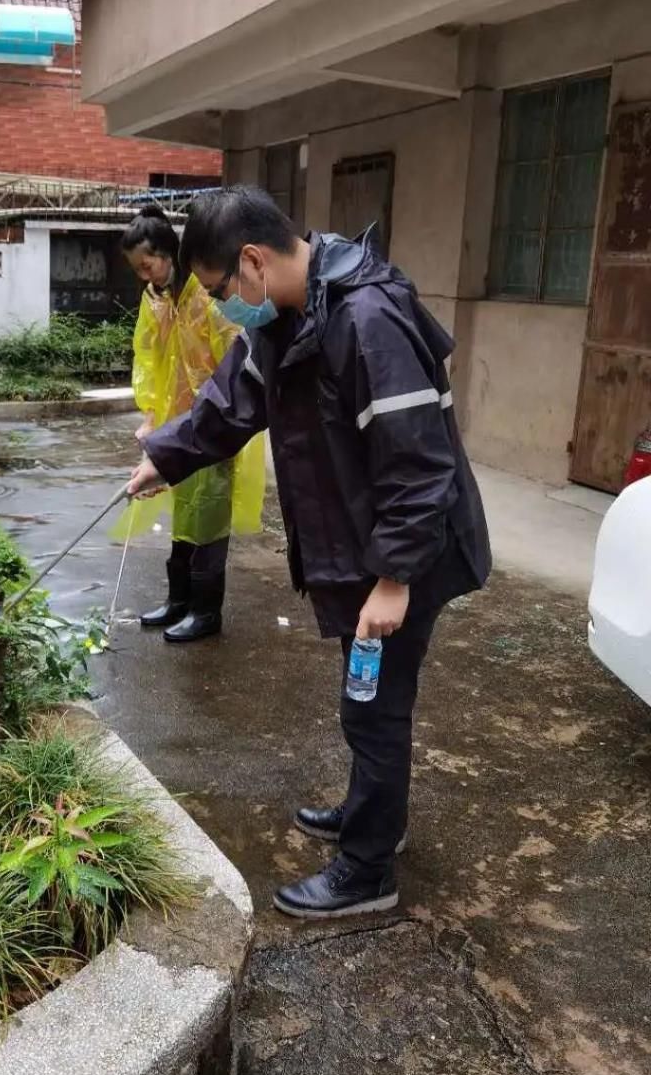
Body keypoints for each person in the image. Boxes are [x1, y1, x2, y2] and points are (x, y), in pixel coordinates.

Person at [128, 186, 491, 918]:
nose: (225, 306)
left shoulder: (367, 319)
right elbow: (231, 402)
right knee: (371, 694)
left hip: (412, 549)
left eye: (222, 290)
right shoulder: (292, 315)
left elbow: (418, 465)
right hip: (379, 542)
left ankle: (367, 870)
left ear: (254, 262)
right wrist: (164, 458)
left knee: (375, 706)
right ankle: (372, 814)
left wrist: (393, 579)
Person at [118, 204, 265, 643]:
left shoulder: (207, 297)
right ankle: (179, 601)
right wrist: (151, 415)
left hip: (213, 421)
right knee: (185, 513)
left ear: (169, 253)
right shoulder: (159, 300)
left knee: (209, 515)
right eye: (138, 270)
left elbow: (235, 360)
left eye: (149, 265)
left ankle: (206, 611)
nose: (146, 276)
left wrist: (215, 415)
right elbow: (148, 357)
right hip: (178, 425)